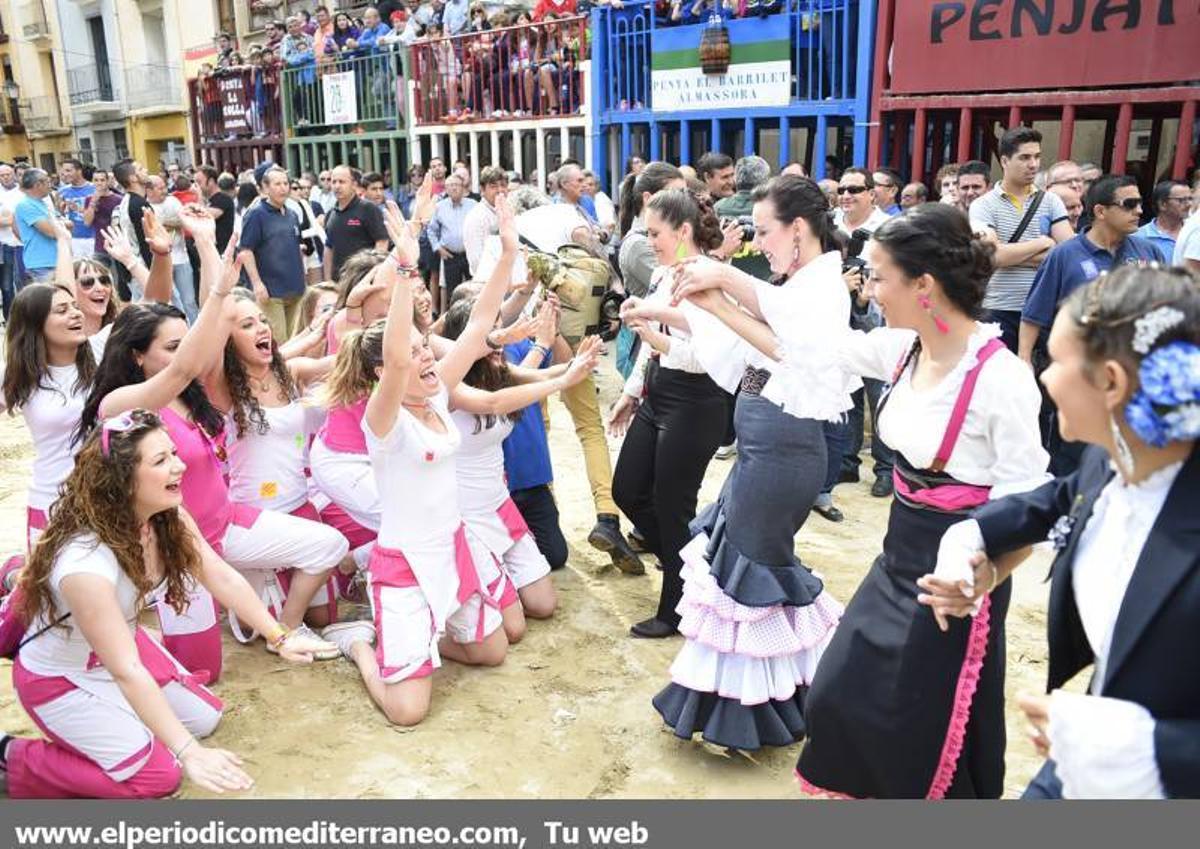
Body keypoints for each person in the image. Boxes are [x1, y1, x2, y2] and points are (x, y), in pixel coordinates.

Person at [795, 202, 1048, 799]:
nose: (871, 289)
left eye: (880, 276)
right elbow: (800, 342)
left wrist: (980, 584)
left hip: (956, 585)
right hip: (896, 560)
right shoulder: (902, 350)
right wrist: (721, 291)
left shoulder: (1000, 379)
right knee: (837, 692)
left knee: (924, 724)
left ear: (924, 285)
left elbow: (1030, 512)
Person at [919, 265, 1199, 799]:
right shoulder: (1115, 459)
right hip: (1083, 759)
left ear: (1110, 382)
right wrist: (969, 539)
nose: (1043, 375)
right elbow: (1053, 501)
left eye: (1058, 360)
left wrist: (1147, 748)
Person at [0, 409, 334, 798]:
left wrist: (280, 636)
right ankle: (13, 757)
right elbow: (126, 670)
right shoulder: (84, 564)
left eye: (174, 453)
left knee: (205, 719)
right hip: (61, 676)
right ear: (122, 480)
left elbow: (220, 575)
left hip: (121, 644)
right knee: (160, 777)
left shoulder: (164, 516)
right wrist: (190, 753)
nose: (180, 466)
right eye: (161, 461)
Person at [80, 210, 347, 676]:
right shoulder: (122, 404)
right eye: (171, 347)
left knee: (326, 546)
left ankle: (262, 599)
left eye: (186, 345)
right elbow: (190, 358)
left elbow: (209, 340)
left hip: (225, 528)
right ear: (138, 355)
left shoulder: (194, 393)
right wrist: (218, 283)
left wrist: (207, 250)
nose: (185, 355)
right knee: (201, 674)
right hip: (167, 546)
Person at [658, 175, 853, 750]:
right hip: (765, 445)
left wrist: (721, 280)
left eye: (765, 231)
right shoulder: (798, 281)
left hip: (783, 451)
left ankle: (755, 707)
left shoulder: (819, 286)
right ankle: (775, 698)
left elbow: (784, 348)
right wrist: (707, 301)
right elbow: (754, 345)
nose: (759, 242)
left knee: (751, 574)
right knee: (748, 571)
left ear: (798, 229)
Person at [325, 198, 518, 726]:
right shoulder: (382, 422)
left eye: (426, 348)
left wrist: (507, 252)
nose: (427, 356)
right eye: (415, 353)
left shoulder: (433, 397)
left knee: (493, 651)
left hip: (452, 549)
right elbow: (393, 359)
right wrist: (407, 271)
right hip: (405, 564)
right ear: (383, 374)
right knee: (407, 712)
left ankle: (418, 650)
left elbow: (478, 325)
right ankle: (364, 648)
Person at [608, 189, 732, 639]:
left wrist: (655, 340)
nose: (648, 240)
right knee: (627, 490)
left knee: (672, 506)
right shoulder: (664, 275)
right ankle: (695, 567)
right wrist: (631, 391)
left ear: (683, 232)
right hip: (658, 393)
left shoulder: (713, 279)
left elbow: (705, 358)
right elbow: (649, 341)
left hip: (696, 402)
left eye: (655, 232)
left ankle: (676, 608)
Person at [442, 298, 600, 623]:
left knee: (544, 605)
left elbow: (539, 375)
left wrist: (579, 363)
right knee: (511, 628)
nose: (501, 338)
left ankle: (496, 579)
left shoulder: (499, 369)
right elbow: (495, 402)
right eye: (493, 333)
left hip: (500, 504)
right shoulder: (449, 387)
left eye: (501, 329)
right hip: (465, 514)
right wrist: (561, 382)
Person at [1018, 176, 1165, 476]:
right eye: (1129, 204)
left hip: (1136, 380)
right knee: (1073, 458)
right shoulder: (1065, 256)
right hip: (1080, 378)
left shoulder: (1149, 253)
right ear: (1100, 211)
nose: (1139, 211)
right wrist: (1023, 361)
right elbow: (1034, 313)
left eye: (1140, 203)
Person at [969, 127, 1072, 352]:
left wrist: (1008, 254)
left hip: (1043, 307)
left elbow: (1068, 254)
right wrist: (1043, 243)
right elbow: (992, 255)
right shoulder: (983, 205)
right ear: (1004, 161)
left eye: (1037, 157)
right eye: (1024, 157)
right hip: (999, 308)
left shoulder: (1051, 201)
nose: (1033, 164)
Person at [238, 167, 307, 342]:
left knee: (297, 338)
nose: (283, 188)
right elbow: (246, 250)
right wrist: (257, 283)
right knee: (279, 341)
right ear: (265, 187)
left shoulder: (291, 214)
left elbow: (297, 246)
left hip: (296, 287)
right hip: (271, 290)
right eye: (277, 184)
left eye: (286, 183)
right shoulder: (256, 214)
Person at [144, 176, 198, 324]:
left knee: (189, 300)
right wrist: (172, 224)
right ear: (149, 190)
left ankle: (194, 326)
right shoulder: (147, 206)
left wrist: (165, 224)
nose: (164, 191)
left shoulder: (173, 201)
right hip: (163, 260)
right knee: (172, 301)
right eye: (160, 188)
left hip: (182, 257)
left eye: (164, 187)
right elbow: (153, 229)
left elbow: (185, 220)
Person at [324, 165, 389, 281]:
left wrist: (373, 276)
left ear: (354, 184)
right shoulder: (330, 214)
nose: (337, 186)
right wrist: (328, 280)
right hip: (339, 281)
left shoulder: (368, 209)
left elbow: (382, 242)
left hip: (363, 279)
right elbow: (329, 248)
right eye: (334, 182)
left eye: (342, 182)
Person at [714, 156, 773, 282]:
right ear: (766, 180)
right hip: (765, 283)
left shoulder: (718, 208)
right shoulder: (773, 209)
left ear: (736, 179)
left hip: (727, 281)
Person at [427, 174, 477, 300]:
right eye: (450, 185)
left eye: (457, 185)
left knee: (475, 289)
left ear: (463, 188)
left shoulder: (473, 205)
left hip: (470, 253)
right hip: (450, 256)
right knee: (452, 292)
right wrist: (438, 248)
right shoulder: (440, 207)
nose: (454, 188)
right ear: (446, 189)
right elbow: (431, 230)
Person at [16, 169, 61, 284]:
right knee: (47, 300)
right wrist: (61, 225)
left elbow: (67, 225)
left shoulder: (43, 203)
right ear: (38, 185)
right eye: (47, 181)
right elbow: (51, 232)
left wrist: (60, 225)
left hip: (55, 260)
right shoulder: (25, 205)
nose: (50, 184)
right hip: (41, 264)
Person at [463, 166, 506, 276]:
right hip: (486, 282)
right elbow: (476, 260)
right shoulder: (476, 217)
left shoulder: (506, 212)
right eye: (493, 186)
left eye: (503, 185)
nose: (500, 190)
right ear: (482, 190)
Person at [1136, 180, 1191, 259]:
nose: (1189, 204)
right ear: (1162, 204)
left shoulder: (1194, 232)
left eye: (1190, 199)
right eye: (1181, 200)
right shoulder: (1139, 237)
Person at [57, 160, 96, 260]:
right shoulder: (62, 191)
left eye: (68, 170)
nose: (65, 174)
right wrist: (61, 209)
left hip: (94, 237)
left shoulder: (94, 188)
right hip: (74, 238)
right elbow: (58, 216)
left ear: (79, 171)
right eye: (63, 171)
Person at [0, 162, 25, 317]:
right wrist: (10, 219)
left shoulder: (22, 193)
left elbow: (20, 218)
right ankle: (9, 319)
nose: (5, 178)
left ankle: (25, 316)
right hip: (4, 245)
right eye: (2, 175)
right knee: (7, 286)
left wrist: (10, 219)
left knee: (23, 282)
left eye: (8, 174)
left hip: (22, 243)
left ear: (14, 174)